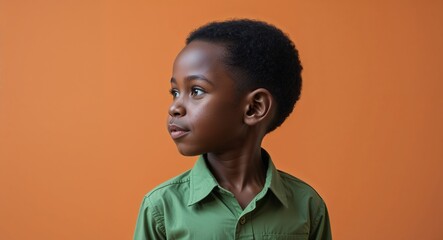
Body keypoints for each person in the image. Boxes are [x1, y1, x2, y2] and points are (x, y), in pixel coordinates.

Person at [134, 19, 332, 240]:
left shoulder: (307, 206)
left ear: (254, 107)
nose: (175, 107)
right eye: (175, 92)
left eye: (196, 91)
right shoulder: (161, 208)